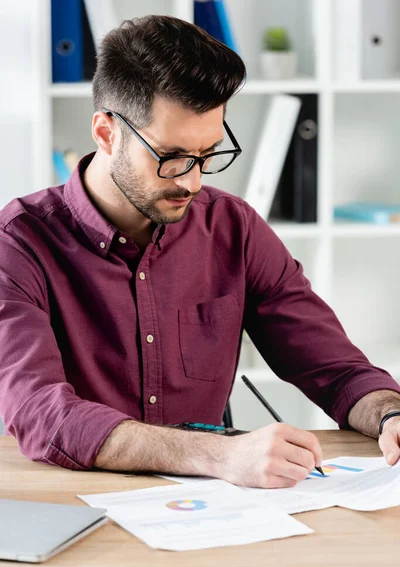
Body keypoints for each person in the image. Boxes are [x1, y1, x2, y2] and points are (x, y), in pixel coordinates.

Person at [1, 15, 400, 488]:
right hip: (78, 503)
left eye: (208, 154)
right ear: (106, 133)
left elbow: (334, 367)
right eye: (171, 157)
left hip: (212, 516)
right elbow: (40, 411)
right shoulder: (18, 243)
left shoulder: (234, 228)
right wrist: (220, 456)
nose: (193, 182)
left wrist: (388, 414)